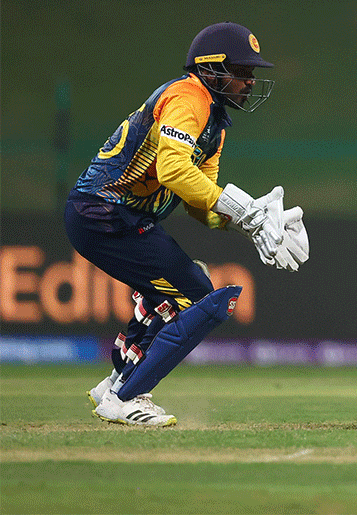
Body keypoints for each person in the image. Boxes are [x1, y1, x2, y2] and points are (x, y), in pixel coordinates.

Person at [65, 22, 310, 427]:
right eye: (242, 72)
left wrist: (253, 224)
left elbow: (201, 204)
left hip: (126, 218)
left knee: (192, 289)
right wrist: (244, 209)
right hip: (102, 213)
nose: (249, 82)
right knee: (195, 297)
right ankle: (122, 396)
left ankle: (116, 383)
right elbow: (174, 170)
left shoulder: (215, 123)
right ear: (212, 69)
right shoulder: (187, 97)